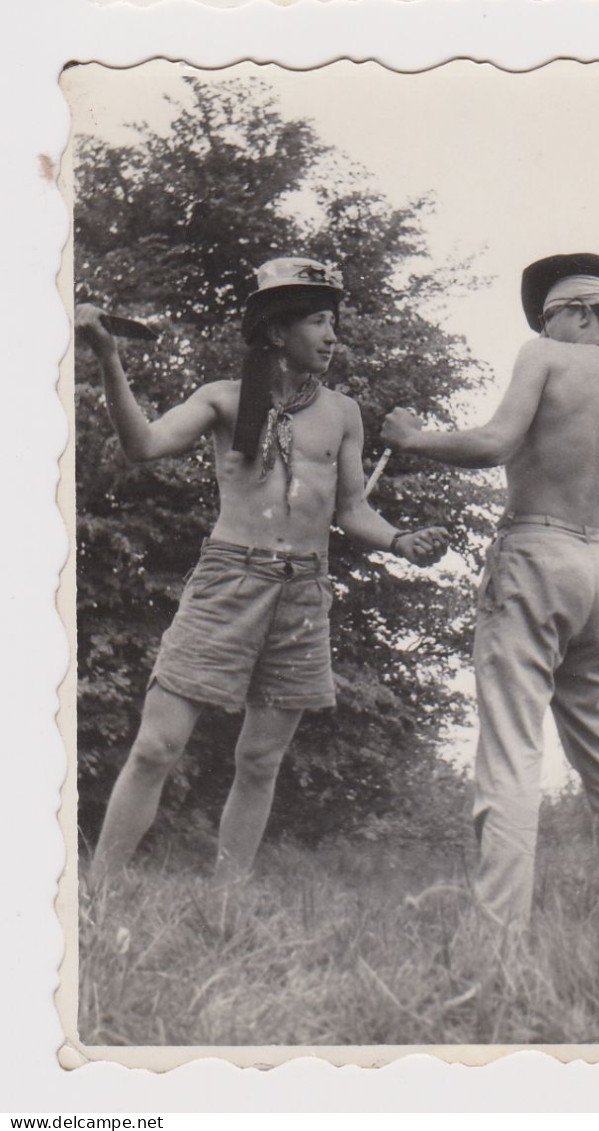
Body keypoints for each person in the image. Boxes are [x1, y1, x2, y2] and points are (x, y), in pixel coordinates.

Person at [77, 257, 448, 889]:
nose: (333, 337)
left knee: (259, 759)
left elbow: (352, 509)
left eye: (334, 322)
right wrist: (109, 357)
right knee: (156, 747)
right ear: (277, 332)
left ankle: (226, 908)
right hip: (228, 580)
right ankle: (97, 897)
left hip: (303, 591)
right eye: (319, 322)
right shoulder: (223, 398)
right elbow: (143, 445)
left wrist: (400, 540)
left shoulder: (344, 413)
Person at [381, 252, 599, 931]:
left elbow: (493, 442)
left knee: (511, 748)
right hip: (597, 568)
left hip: (534, 553)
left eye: (546, 314)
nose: (542, 326)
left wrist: (413, 437)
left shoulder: (544, 355)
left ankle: (497, 939)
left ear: (573, 312)